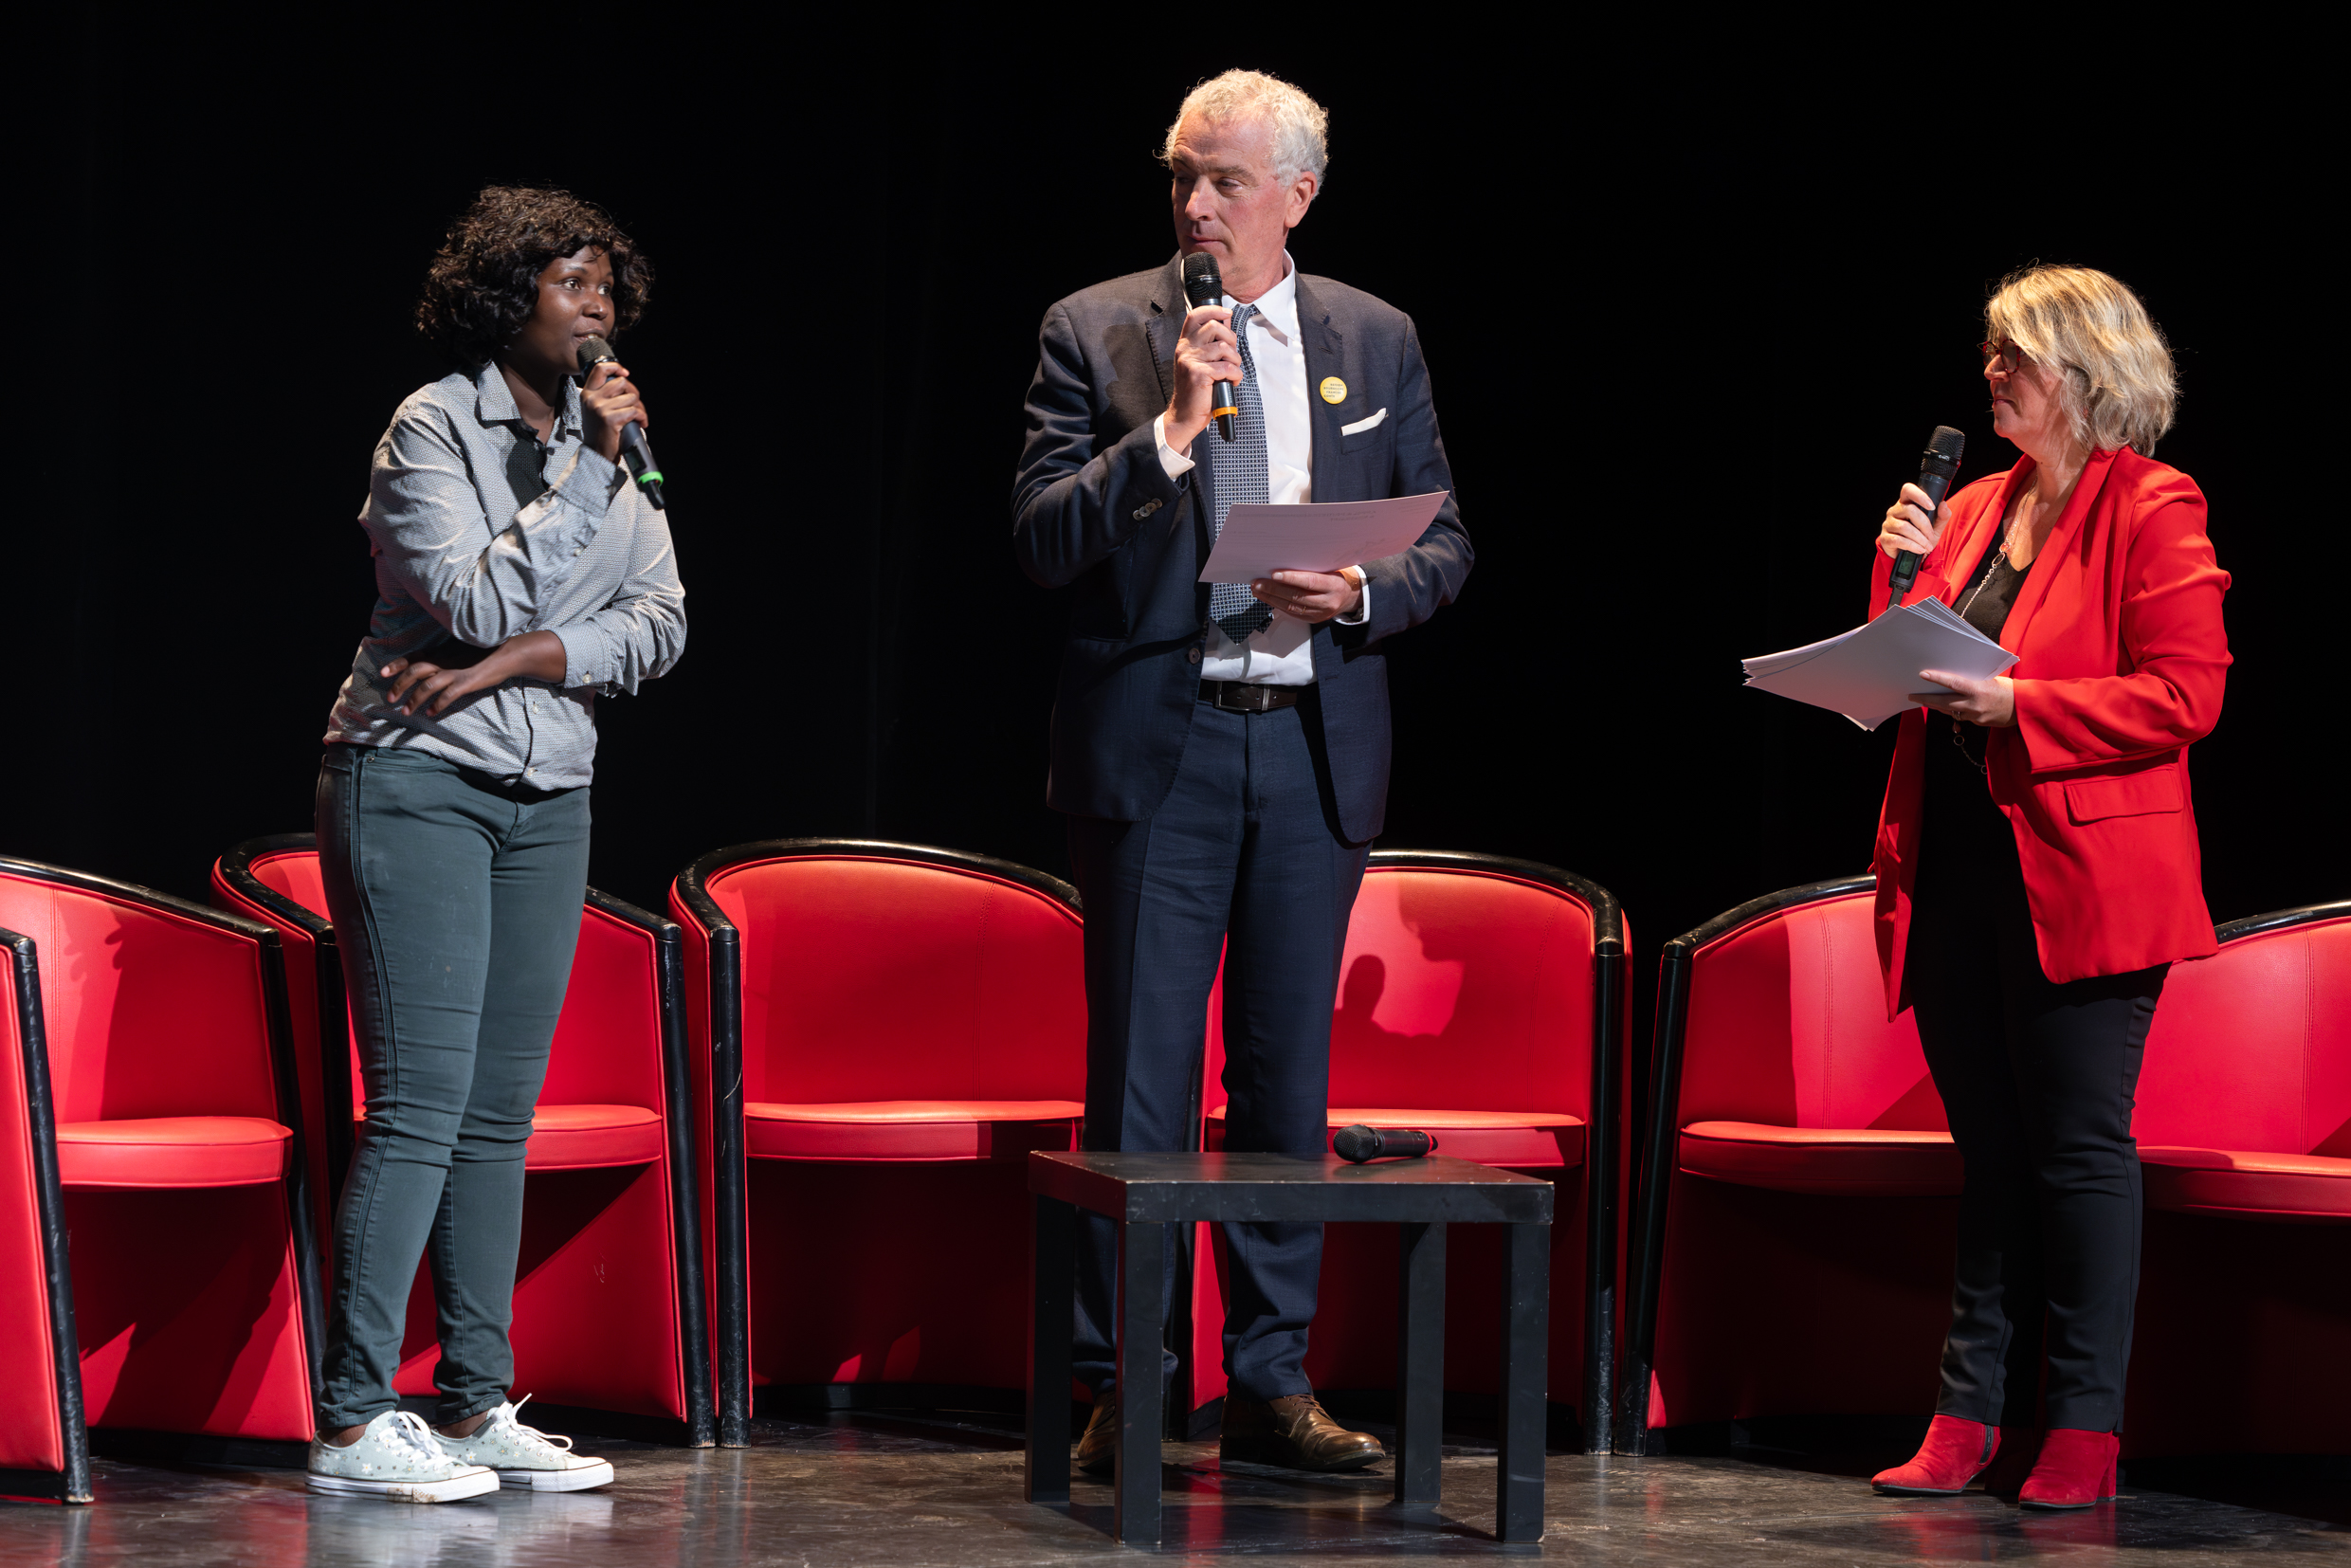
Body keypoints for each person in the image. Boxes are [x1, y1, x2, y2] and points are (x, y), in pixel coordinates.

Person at [1011, 69, 1472, 1474]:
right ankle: (1124, 1382)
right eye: (1181, 178)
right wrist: (1165, 437)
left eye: (1223, 181)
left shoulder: (1372, 337)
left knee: (1286, 1080)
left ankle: (1272, 1379)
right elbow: (1039, 537)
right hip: (1167, 747)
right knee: (1141, 1081)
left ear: (1296, 197)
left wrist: (1369, 590)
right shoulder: (1099, 329)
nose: (1196, 206)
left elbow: (1446, 543)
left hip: (1316, 744)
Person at [305, 187, 686, 1502]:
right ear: (505, 297)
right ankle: (354, 1418)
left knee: (496, 1117)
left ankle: (471, 1401)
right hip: (415, 782)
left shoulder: (619, 452)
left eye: (608, 291)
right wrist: (581, 471)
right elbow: (468, 596)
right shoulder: (433, 428)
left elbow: (662, 619)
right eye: (573, 285)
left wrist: (528, 661)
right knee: (417, 1107)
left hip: (550, 798)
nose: (598, 310)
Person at [1863, 265, 2229, 1509]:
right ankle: (1967, 1412)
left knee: (2076, 1151)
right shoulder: (1971, 506)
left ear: (2083, 371)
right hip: (1959, 864)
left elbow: (2189, 695)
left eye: (2013, 354)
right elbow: (1908, 666)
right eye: (1991, 352)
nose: (1991, 371)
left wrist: (2024, 704)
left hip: (2086, 876)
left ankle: (2081, 1422)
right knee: (1990, 1151)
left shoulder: (2154, 504)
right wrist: (1894, 572)